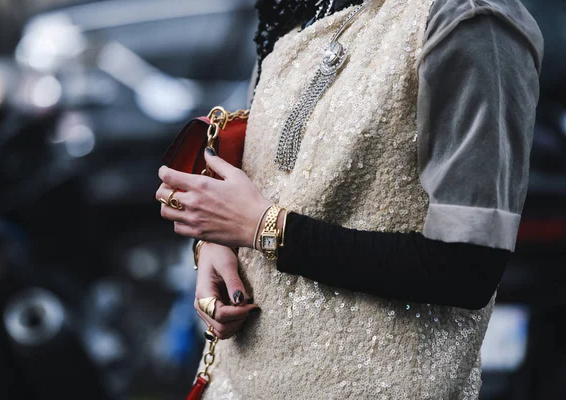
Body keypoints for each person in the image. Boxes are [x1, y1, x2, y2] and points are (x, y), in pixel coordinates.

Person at [155, 0, 543, 398]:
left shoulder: (468, 19)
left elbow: (468, 269)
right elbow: (268, 184)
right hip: (238, 380)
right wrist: (217, 246)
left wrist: (265, 229)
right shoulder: (298, 11)